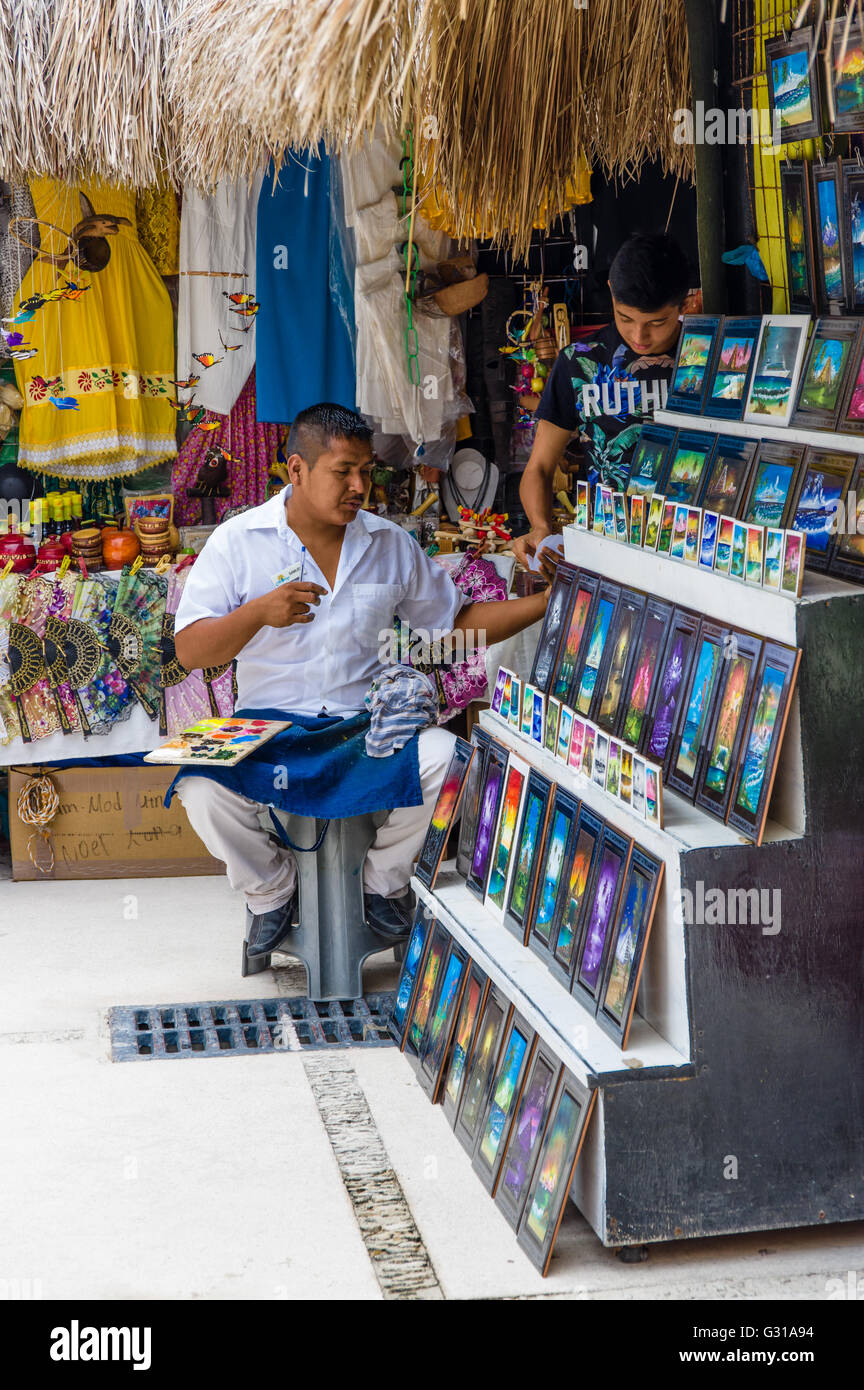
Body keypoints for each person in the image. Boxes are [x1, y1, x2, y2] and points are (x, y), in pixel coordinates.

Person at [173, 402, 550, 956]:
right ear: (295, 470)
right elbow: (190, 651)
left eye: (367, 471)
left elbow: (457, 625)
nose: (359, 486)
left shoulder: (388, 543)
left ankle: (384, 883)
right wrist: (258, 613)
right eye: (343, 471)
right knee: (200, 786)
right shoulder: (238, 541)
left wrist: (550, 601)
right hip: (268, 729)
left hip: (367, 727)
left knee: (451, 762)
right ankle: (270, 892)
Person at [513, 232, 690, 573]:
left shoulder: (710, 360)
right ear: (610, 291)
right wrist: (540, 526)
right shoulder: (578, 362)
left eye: (656, 322)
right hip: (605, 549)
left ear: (684, 304)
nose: (639, 336)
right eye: (626, 319)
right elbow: (539, 467)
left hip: (692, 547)